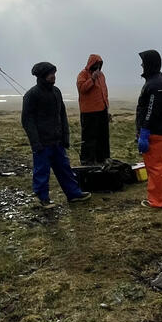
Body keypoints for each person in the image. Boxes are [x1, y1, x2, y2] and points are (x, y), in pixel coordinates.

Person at [21, 61, 90, 209]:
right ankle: (42, 198)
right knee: (41, 171)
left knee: (65, 169)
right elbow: (27, 121)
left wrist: (65, 137)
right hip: (42, 142)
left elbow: (62, 115)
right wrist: (35, 142)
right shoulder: (32, 95)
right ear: (42, 76)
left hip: (57, 141)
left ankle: (74, 194)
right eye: (50, 74)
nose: (53, 76)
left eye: (54, 73)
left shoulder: (56, 92)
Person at [135, 49, 162, 208]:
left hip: (154, 132)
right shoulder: (157, 81)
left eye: (144, 62)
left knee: (155, 167)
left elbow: (151, 110)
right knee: (159, 166)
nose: (141, 64)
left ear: (150, 63)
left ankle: (157, 201)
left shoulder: (156, 85)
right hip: (158, 131)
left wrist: (144, 131)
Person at [76, 53, 111, 164]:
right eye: (96, 64)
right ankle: (88, 160)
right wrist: (92, 79)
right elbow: (82, 89)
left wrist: (106, 107)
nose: (98, 67)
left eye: (99, 65)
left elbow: (104, 92)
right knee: (89, 138)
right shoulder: (83, 74)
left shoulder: (101, 75)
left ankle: (103, 158)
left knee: (103, 137)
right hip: (89, 112)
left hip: (102, 110)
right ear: (91, 64)